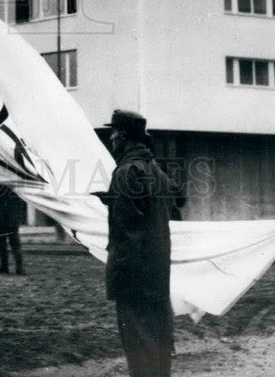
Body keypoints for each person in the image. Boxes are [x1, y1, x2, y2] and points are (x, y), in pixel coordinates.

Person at [98, 109, 173, 377]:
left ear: (124, 135)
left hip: (133, 278)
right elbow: (161, 210)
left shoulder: (126, 171)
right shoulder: (156, 171)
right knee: (159, 343)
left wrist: (117, 277)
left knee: (138, 348)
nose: (111, 139)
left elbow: (126, 232)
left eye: (114, 133)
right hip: (158, 274)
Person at [0, 184, 24, 275]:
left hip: (8, 215)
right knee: (4, 243)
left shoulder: (11, 181)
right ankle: (8, 266)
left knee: (12, 242)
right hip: (3, 215)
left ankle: (17, 267)